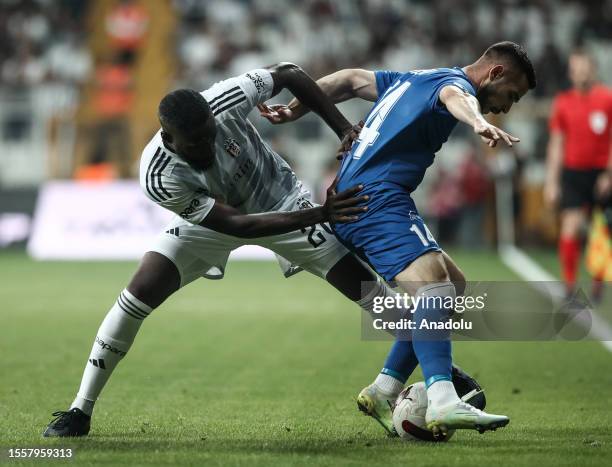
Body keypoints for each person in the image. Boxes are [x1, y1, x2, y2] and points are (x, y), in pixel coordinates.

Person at [42, 62, 482, 437]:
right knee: (136, 295)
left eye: (210, 134)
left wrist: (344, 127)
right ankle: (81, 409)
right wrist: (320, 215)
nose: (206, 146)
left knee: (376, 298)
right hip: (220, 222)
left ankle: (432, 367)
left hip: (282, 201)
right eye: (194, 143)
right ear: (169, 138)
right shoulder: (159, 175)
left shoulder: (224, 99)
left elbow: (289, 73)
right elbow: (235, 225)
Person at [260, 41, 536, 438]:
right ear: (494, 73)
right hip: (373, 200)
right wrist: (477, 123)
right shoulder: (452, 85)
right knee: (435, 289)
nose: (507, 108)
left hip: (369, 197)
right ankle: (443, 401)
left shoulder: (416, 77)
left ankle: (382, 390)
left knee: (453, 286)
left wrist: (294, 108)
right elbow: (457, 98)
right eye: (511, 96)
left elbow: (350, 79)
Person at [544, 50, 612, 302]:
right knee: (570, 227)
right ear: (571, 72)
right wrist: (551, 182)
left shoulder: (607, 98)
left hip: (601, 174)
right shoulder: (562, 102)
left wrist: (608, 173)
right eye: (575, 68)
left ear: (592, 70)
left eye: (583, 67)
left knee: (601, 231)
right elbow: (556, 143)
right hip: (573, 173)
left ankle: (597, 284)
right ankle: (569, 285)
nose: (579, 72)